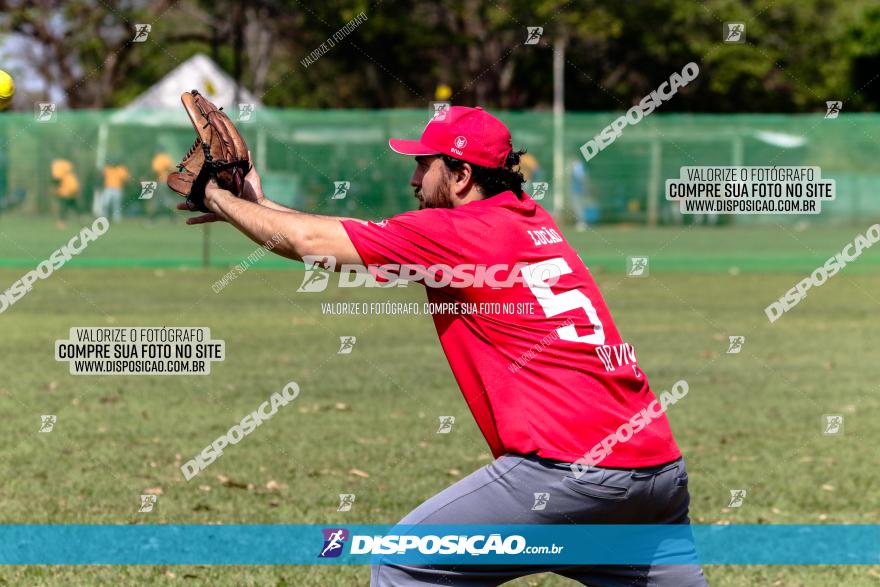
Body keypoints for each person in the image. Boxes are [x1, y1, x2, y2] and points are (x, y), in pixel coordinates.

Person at [178, 106, 706, 586]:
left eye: (423, 164)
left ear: (460, 175)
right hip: (656, 474)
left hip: (567, 473)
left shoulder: (456, 233)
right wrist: (255, 203)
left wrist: (216, 196)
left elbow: (312, 245)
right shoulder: (530, 221)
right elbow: (331, 231)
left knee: (403, 560)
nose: (412, 177)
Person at [50, 158, 80, 228]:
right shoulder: (66, 165)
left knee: (63, 206)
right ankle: (81, 218)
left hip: (66, 189)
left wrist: (55, 189)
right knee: (73, 204)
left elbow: (57, 178)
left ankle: (62, 222)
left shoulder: (57, 166)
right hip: (74, 186)